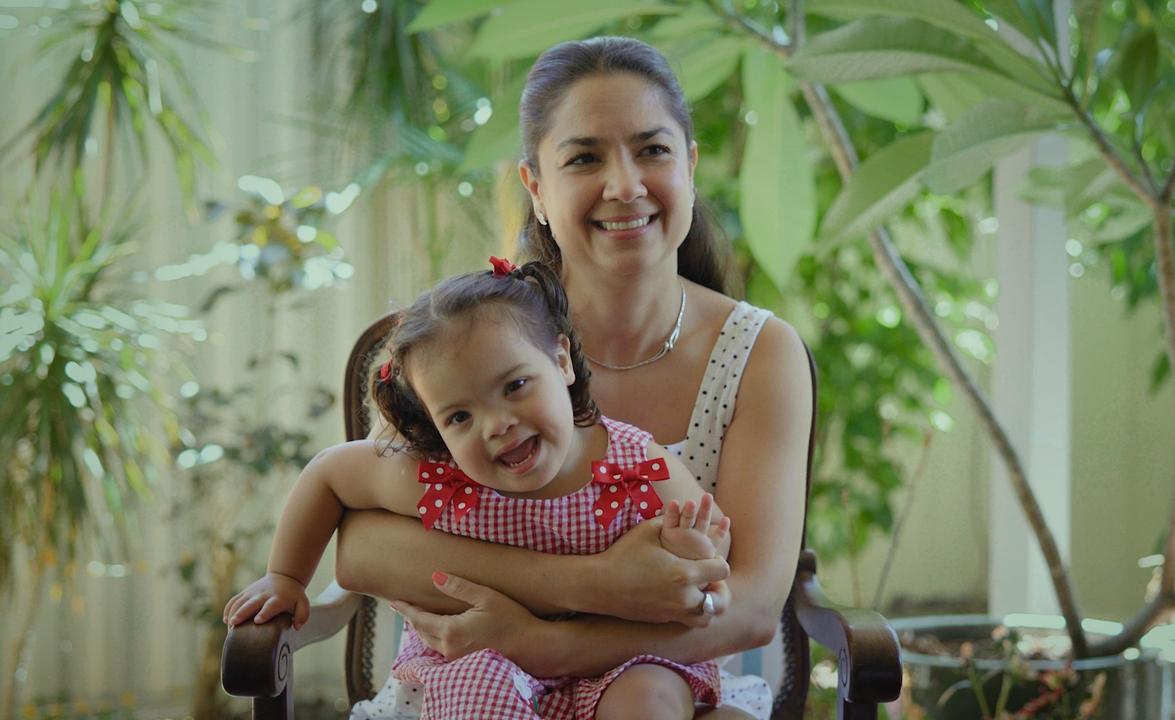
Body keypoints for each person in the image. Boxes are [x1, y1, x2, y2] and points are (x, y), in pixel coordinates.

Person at [337, 36, 811, 720]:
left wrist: (547, 643)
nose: (625, 185)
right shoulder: (471, 341)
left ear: (690, 166)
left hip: (663, 690)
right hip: (476, 688)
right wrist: (593, 582)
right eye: (584, 157)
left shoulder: (759, 352)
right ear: (536, 187)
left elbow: (753, 607)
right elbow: (360, 550)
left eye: (652, 150)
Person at [224, 258, 735, 719]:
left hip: (615, 656)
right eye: (460, 416)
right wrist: (285, 576)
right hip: (480, 656)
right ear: (434, 426)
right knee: (474, 688)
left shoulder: (634, 467)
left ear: (560, 362)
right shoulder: (443, 480)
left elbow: (708, 548)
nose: (496, 425)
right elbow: (330, 474)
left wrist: (693, 548)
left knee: (649, 696)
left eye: (514, 386)